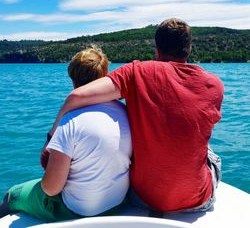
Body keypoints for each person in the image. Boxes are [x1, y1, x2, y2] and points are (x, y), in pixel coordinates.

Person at [46, 18, 223, 213]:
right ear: (188, 49)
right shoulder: (215, 85)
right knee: (205, 145)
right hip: (197, 200)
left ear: (157, 49)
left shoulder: (137, 71)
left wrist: (52, 137)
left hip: (144, 198)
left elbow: (76, 96)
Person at [0, 48, 132, 221]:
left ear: (72, 78)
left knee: (12, 194)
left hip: (77, 211)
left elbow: (51, 189)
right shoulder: (126, 113)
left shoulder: (71, 121)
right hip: (118, 204)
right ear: (105, 75)